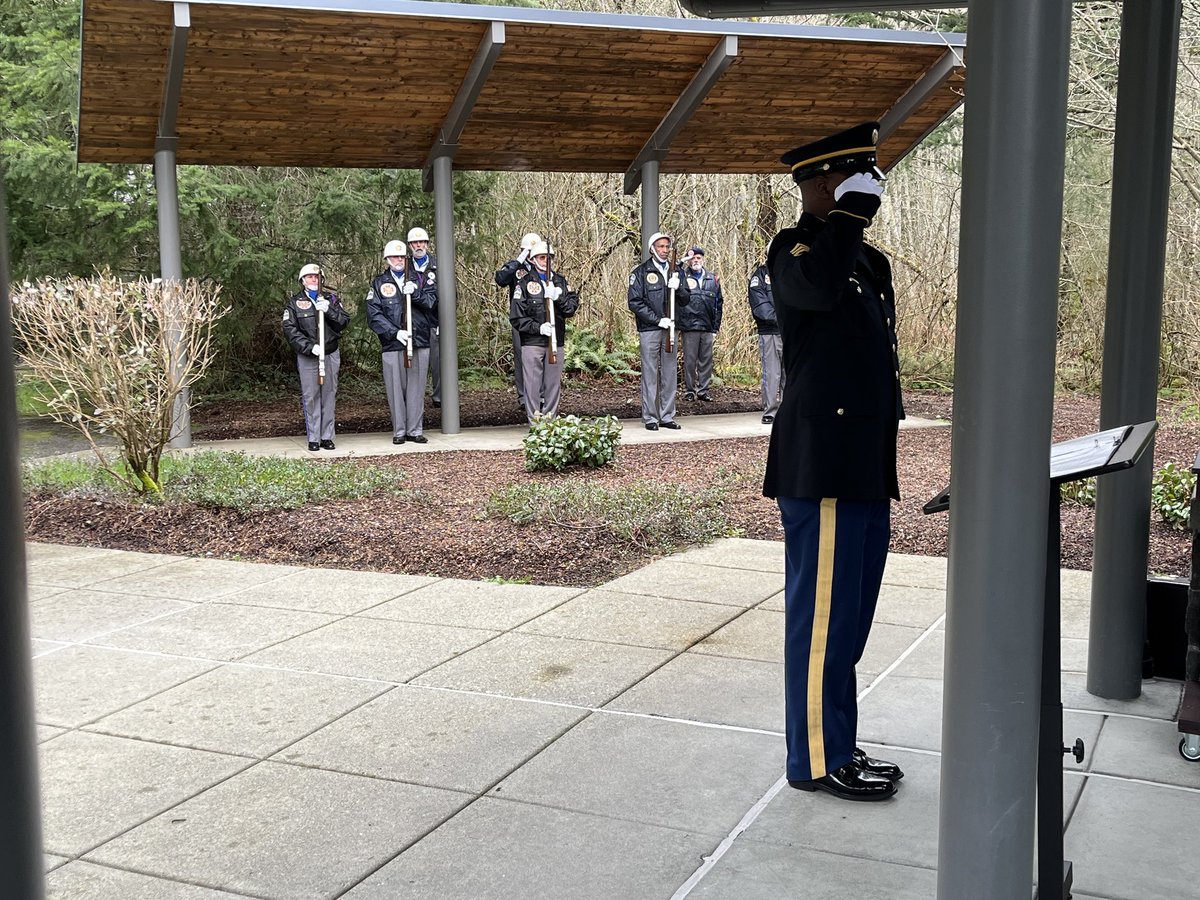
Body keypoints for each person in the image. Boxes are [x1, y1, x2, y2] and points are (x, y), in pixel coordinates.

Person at [763, 122, 905, 802]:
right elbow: (815, 290)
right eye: (852, 179)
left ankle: (839, 742)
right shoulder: (793, 250)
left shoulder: (868, 263)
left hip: (864, 464)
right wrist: (849, 215)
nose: (865, 189)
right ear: (824, 184)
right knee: (820, 621)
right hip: (820, 465)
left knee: (848, 620)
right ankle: (815, 760)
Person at [366, 240, 439, 445]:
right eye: (394, 257)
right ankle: (399, 430)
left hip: (419, 340)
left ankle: (415, 430)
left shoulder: (419, 278)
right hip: (393, 343)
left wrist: (415, 292)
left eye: (401, 256)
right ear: (387, 260)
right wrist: (394, 332)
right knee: (395, 388)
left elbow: (432, 303)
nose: (398, 260)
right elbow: (374, 315)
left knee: (416, 388)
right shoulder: (379, 283)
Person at [282, 263, 350, 451]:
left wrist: (329, 309)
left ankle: (327, 436)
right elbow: (290, 330)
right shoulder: (294, 303)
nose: (314, 279)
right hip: (308, 356)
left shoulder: (331, 299)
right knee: (311, 396)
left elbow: (343, 322)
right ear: (303, 281)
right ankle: (314, 437)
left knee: (329, 394)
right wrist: (309, 347)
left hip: (330, 353)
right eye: (310, 277)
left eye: (317, 277)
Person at [509, 240, 579, 425]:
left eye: (549, 257)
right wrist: (537, 328)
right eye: (541, 257)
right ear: (533, 260)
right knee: (531, 385)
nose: (545, 261)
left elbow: (571, 308)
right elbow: (516, 317)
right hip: (533, 342)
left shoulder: (560, 281)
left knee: (553, 385)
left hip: (556, 341)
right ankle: (535, 423)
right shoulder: (524, 283)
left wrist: (559, 297)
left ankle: (550, 422)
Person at [628, 231, 691, 431]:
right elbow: (635, 302)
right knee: (650, 372)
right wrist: (657, 320)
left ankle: (667, 415)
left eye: (667, 247)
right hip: (650, 329)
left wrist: (679, 286)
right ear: (652, 249)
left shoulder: (676, 271)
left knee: (670, 373)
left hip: (671, 328)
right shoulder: (640, 272)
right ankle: (650, 417)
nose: (664, 250)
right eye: (660, 247)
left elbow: (686, 298)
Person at [496, 232, 543, 409]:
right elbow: (501, 279)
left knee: (541, 358)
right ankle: (524, 396)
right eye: (527, 251)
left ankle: (541, 394)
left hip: (540, 320)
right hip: (520, 319)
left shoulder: (542, 266)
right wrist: (518, 260)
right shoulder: (515, 268)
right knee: (521, 357)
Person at [677, 247, 723, 402]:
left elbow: (719, 304)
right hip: (689, 326)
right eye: (692, 258)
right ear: (688, 261)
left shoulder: (713, 279)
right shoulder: (682, 276)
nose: (695, 260)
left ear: (703, 259)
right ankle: (690, 390)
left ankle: (703, 390)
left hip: (708, 326)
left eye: (698, 258)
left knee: (706, 360)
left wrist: (716, 327)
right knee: (690, 360)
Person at [407, 226, 440, 408]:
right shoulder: (404, 267)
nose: (419, 245)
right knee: (415, 366)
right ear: (410, 245)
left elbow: (449, 295)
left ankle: (439, 397)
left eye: (422, 242)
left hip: (435, 321)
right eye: (415, 242)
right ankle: (414, 400)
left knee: (438, 363)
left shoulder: (439, 264)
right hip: (413, 323)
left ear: (427, 244)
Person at [748, 261, 784, 424]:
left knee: (789, 373)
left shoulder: (789, 271)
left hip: (791, 332)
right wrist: (784, 320)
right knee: (772, 373)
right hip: (770, 331)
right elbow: (760, 306)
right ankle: (770, 410)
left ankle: (787, 408)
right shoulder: (760, 276)